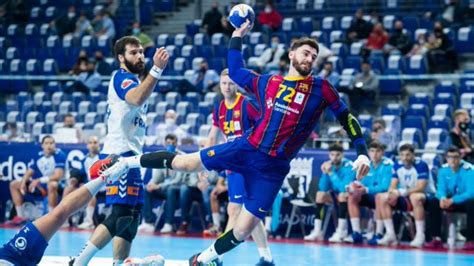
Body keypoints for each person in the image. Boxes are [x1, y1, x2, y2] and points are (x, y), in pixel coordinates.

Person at [96, 20, 371, 266]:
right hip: (246, 149)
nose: (309, 58)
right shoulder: (269, 83)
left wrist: (362, 152)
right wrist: (237, 34)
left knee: (242, 230)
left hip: (274, 168)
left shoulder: (321, 88)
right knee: (186, 162)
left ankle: (201, 260)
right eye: (304, 53)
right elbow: (237, 70)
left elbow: (347, 118)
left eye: (313, 55)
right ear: (291, 55)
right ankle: (127, 162)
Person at [70, 36, 169, 265]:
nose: (140, 56)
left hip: (132, 155)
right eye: (134, 52)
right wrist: (157, 69)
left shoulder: (134, 80)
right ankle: (80, 261)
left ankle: (118, 262)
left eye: (142, 51)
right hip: (119, 154)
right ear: (121, 58)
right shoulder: (122, 78)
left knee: (132, 216)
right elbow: (136, 98)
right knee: (120, 213)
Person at [205, 68, 274, 265]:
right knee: (249, 211)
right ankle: (266, 257)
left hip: (250, 163)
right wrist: (204, 163)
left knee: (235, 210)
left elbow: (266, 126)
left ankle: (217, 257)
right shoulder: (218, 108)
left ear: (237, 84)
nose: (227, 87)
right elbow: (213, 135)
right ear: (219, 84)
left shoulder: (247, 104)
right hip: (233, 165)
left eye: (231, 83)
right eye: (224, 83)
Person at [0, 158, 116, 265]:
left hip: (10, 257)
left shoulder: (57, 156)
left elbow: (58, 176)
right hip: (12, 258)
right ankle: (105, 176)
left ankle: (104, 177)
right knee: (59, 213)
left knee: (58, 213)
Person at [376, 144, 435, 247]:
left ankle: (420, 235)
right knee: (382, 197)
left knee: (415, 197)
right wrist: (392, 194)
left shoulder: (421, 165)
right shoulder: (397, 165)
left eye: (408, 155)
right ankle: (390, 234)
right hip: (406, 196)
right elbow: (393, 185)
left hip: (427, 195)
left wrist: (401, 192)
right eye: (402, 155)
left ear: (413, 155)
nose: (405, 158)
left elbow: (421, 187)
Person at [8, 135, 66, 225]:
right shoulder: (38, 156)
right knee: (14, 184)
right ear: (42, 145)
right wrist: (23, 183)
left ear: (55, 145)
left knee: (52, 184)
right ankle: (20, 217)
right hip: (41, 185)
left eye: (51, 143)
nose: (49, 145)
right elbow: (29, 172)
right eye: (46, 143)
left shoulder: (59, 155)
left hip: (58, 185)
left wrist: (39, 180)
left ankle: (52, 218)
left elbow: (58, 176)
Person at [424, 147, 474, 250]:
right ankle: (436, 238)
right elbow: (441, 189)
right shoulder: (443, 170)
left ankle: (470, 240)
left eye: (456, 157)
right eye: (450, 157)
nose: (453, 160)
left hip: (463, 200)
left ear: (461, 157)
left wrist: (452, 200)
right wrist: (442, 198)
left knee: (472, 204)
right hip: (449, 200)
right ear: (446, 158)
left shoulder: (469, 170)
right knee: (433, 202)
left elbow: (471, 193)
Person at [304, 144, 355, 242]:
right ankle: (317, 231)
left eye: (337, 155)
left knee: (342, 195)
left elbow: (342, 188)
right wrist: (325, 173)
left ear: (342, 155)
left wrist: (331, 173)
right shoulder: (328, 165)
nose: (334, 158)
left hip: (349, 196)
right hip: (334, 196)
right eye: (332, 155)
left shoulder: (349, 166)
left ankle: (341, 232)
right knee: (320, 195)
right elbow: (322, 187)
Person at [348, 140, 392, 244]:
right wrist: (354, 186)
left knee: (379, 196)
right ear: (368, 152)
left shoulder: (388, 165)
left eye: (378, 151)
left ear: (383, 152)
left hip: (382, 198)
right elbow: (360, 182)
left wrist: (367, 189)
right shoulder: (365, 165)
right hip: (368, 195)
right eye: (372, 151)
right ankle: (357, 232)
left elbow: (385, 187)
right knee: (352, 196)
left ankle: (379, 233)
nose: (374, 154)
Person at [62, 136, 101, 229]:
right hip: (88, 184)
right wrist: (75, 179)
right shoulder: (84, 160)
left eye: (95, 143)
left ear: (98, 145)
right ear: (87, 145)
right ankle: (64, 220)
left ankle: (89, 221)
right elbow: (81, 175)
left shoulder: (103, 157)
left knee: (91, 190)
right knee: (68, 189)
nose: (93, 145)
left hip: (102, 185)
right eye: (90, 143)